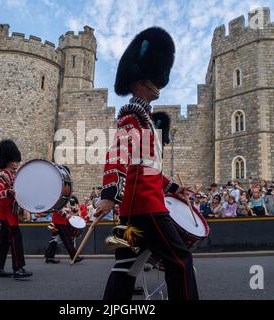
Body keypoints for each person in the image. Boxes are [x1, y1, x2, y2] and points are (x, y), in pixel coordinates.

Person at [95, 27, 198, 300]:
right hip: (145, 206)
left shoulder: (146, 120)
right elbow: (118, 155)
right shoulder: (132, 116)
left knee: (125, 267)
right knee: (180, 260)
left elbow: (146, 166)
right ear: (142, 80)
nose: (160, 82)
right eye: (155, 77)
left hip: (133, 209)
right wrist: (108, 196)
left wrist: (173, 186)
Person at [0, 139, 32, 279]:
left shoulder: (15, 175)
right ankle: (18, 268)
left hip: (11, 212)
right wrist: (7, 192)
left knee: (3, 241)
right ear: (6, 160)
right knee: (15, 238)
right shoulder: (1, 175)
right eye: (13, 160)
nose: (16, 163)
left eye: (16, 160)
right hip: (6, 213)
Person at [44, 170, 84, 264]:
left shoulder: (62, 192)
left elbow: (66, 206)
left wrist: (73, 210)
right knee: (67, 239)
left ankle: (49, 256)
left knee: (55, 239)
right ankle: (74, 257)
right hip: (60, 220)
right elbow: (56, 207)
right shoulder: (57, 192)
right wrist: (66, 215)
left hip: (60, 219)